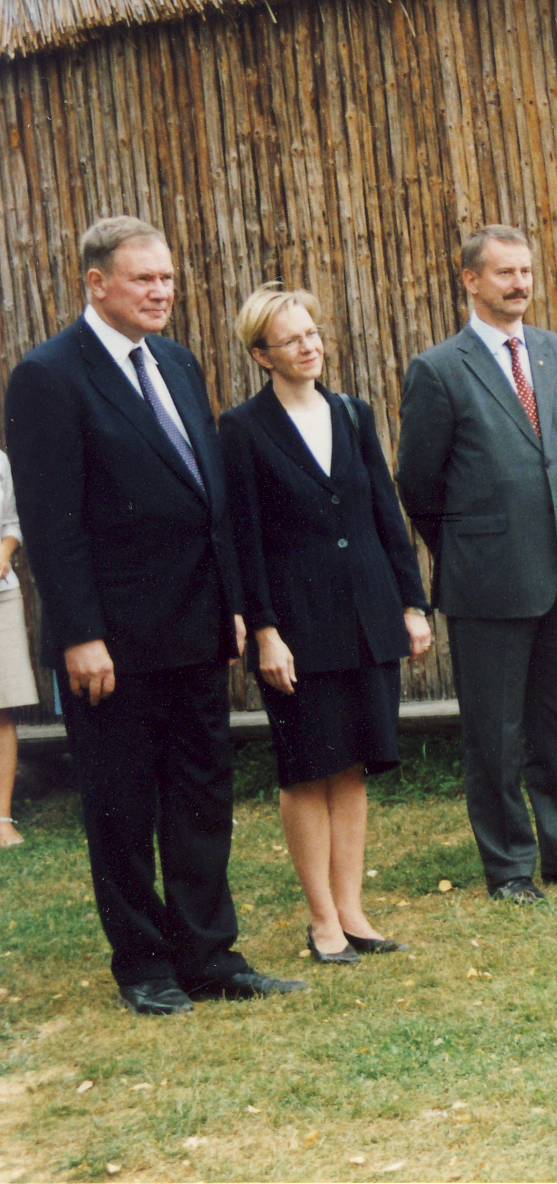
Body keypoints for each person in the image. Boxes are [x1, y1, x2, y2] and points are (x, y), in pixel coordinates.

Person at [4, 216, 305, 1014]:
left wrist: (234, 605)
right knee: (122, 804)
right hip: (113, 643)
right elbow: (52, 523)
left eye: (167, 278)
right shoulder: (49, 377)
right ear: (96, 284)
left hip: (197, 625)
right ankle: (144, 965)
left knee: (202, 795)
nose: (162, 291)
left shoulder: (176, 362)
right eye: (144, 279)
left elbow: (209, 499)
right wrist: (80, 634)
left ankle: (211, 955)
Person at [397, 224, 557, 903]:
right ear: (470, 280)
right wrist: (473, 545)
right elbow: (418, 484)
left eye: (525, 271)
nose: (520, 284)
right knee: (495, 735)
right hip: (486, 580)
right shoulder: (439, 369)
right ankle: (508, 867)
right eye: (504, 273)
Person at [220, 283, 432, 963]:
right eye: (291, 340)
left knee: (353, 768)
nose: (308, 347)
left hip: (367, 613)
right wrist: (266, 631)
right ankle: (321, 922)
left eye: (312, 334)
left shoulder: (351, 412)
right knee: (308, 769)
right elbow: (244, 539)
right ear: (262, 354)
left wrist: (410, 602)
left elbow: (384, 515)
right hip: (298, 625)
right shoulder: (243, 429)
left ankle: (354, 911)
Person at [0, 450, 37, 850]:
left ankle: (2, 819)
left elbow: (12, 522)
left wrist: (4, 552)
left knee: (1, 708)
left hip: (0, 597)